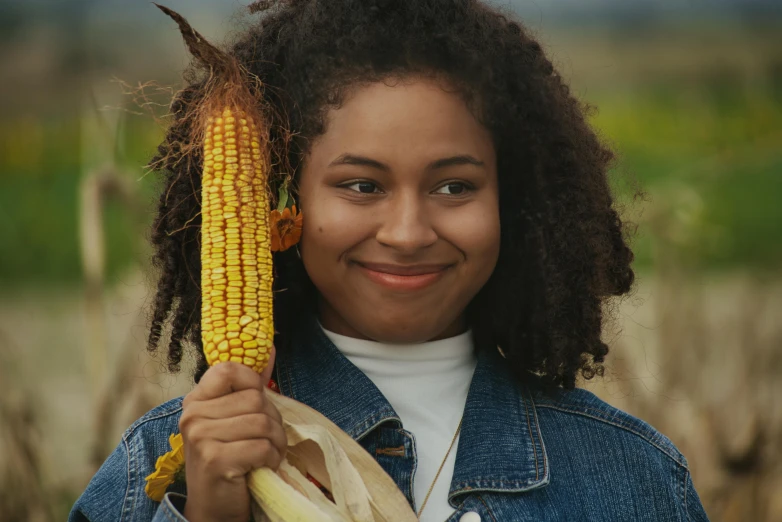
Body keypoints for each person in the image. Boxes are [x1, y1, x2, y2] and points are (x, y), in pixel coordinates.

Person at [70, 0, 710, 520]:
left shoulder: (633, 479)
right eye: (362, 186)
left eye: (454, 186)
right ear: (284, 209)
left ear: (515, 206)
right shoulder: (161, 471)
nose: (407, 233)